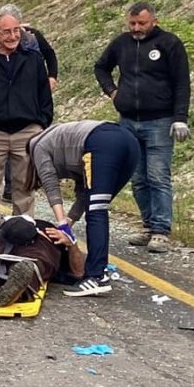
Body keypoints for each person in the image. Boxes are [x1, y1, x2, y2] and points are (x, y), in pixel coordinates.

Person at [92, 0, 190, 254]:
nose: (136, 27)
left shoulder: (169, 44)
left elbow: (182, 83)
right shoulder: (121, 43)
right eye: (132, 23)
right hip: (127, 121)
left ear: (154, 21)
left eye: (141, 23)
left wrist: (180, 117)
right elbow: (101, 67)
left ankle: (161, 230)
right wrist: (112, 92)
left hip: (160, 120)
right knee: (137, 178)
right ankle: (148, 224)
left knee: (158, 175)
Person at [24, 120, 140, 297]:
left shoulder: (37, 147)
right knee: (98, 205)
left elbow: (51, 185)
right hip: (129, 143)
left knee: (96, 211)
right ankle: (98, 271)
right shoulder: (67, 149)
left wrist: (62, 224)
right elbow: (85, 196)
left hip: (102, 142)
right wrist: (69, 221)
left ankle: (96, 276)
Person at [0, 6, 53, 230]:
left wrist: (42, 123)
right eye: (7, 32)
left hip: (27, 130)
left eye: (17, 30)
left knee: (25, 186)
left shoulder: (33, 58)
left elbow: (44, 92)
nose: (13, 36)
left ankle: (23, 228)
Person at [0, 215, 85, 307]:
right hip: (29, 250)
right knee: (34, 265)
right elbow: (77, 272)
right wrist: (72, 244)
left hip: (33, 246)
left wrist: (70, 242)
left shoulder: (50, 233)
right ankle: (17, 292)